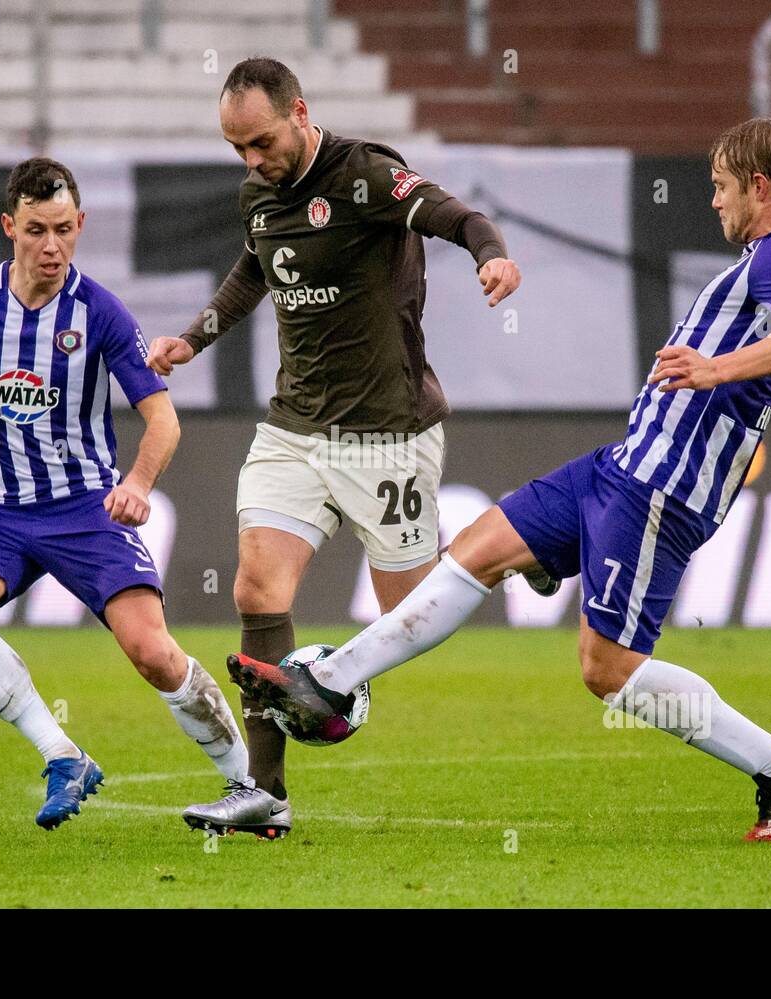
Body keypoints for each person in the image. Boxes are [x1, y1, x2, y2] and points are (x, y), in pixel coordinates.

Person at [227, 115, 771, 842]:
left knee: (608, 670)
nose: (714, 201)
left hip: (661, 492)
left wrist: (715, 368)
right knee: (479, 548)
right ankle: (333, 679)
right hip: (621, 467)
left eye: (722, 187)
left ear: (759, 186)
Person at [146, 57, 524, 838]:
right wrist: (193, 338)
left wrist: (490, 252)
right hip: (294, 426)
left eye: (259, 142)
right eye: (237, 149)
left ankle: (518, 549)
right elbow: (256, 270)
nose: (251, 161)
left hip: (390, 434)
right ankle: (265, 792)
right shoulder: (260, 193)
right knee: (256, 586)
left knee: (413, 613)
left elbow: (453, 214)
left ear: (299, 113)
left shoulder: (364, 175)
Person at [0, 157, 248, 830]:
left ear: (80, 224)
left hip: (86, 509)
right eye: (37, 230)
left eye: (65, 229)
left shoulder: (98, 312)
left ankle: (249, 783)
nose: (52, 246)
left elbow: (162, 417)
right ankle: (62, 753)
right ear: (9, 226)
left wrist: (139, 482)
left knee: (152, 652)